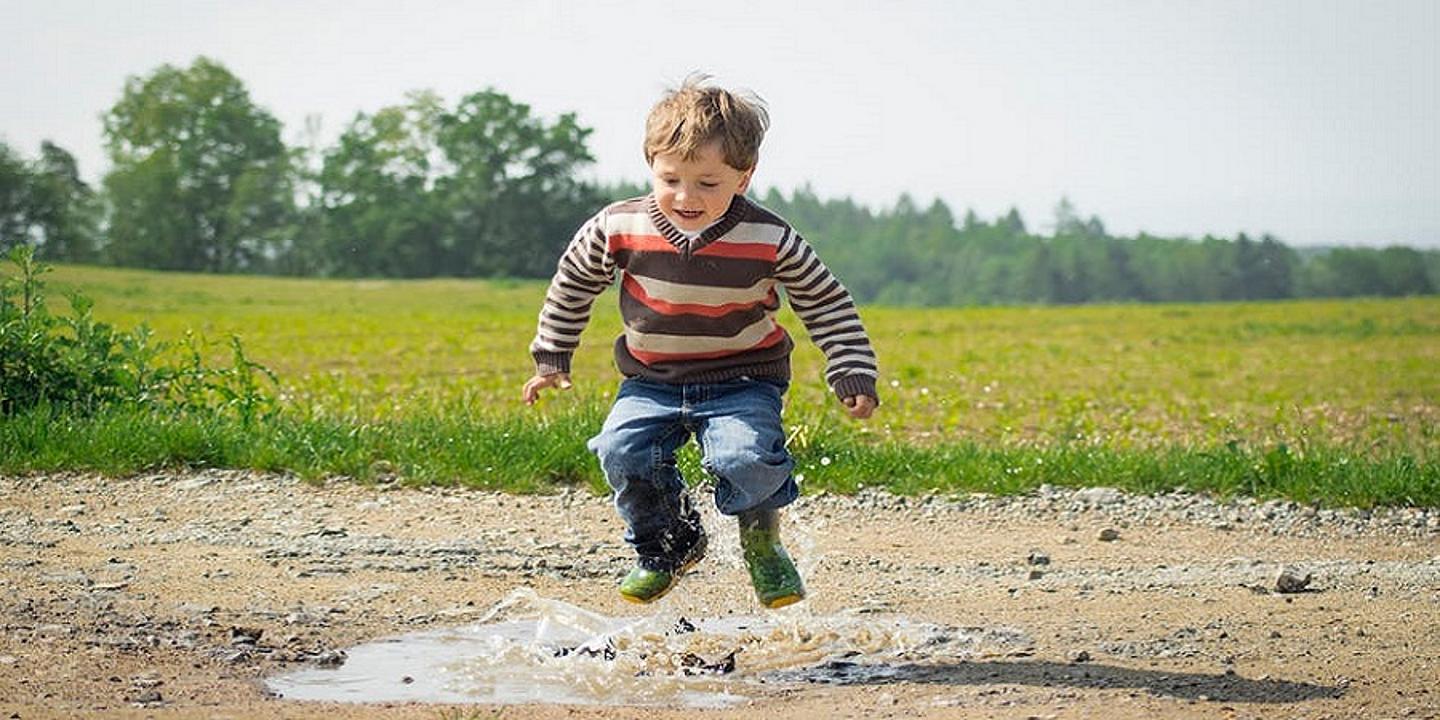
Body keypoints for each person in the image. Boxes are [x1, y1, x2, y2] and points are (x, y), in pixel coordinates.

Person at [522, 76, 879, 609]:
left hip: (743, 379)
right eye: (671, 179)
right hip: (651, 380)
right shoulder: (619, 226)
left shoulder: (770, 238)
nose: (686, 198)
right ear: (651, 165)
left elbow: (825, 303)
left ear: (744, 175)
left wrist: (851, 369)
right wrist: (552, 354)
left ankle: (761, 544)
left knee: (745, 458)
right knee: (622, 452)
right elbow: (573, 281)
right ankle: (668, 545)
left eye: (708, 184)